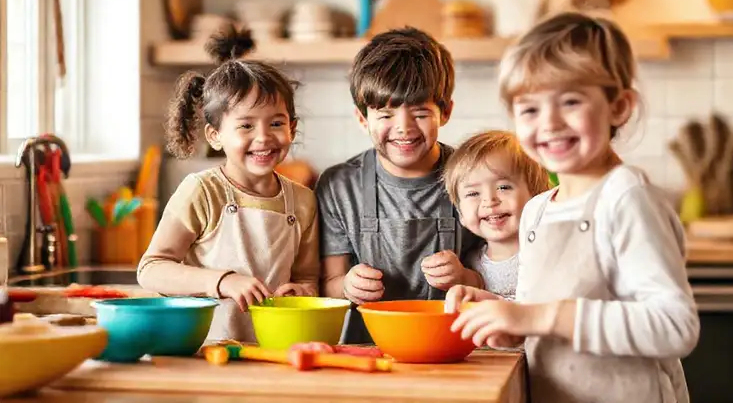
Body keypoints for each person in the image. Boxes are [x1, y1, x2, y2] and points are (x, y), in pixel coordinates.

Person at [446, 12, 700, 402]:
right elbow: (541, 317)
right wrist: (505, 316)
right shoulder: (537, 211)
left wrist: (537, 317)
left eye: (570, 101)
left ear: (618, 106)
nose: (549, 123)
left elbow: (674, 326)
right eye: (529, 109)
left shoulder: (627, 198)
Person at [137, 25, 319, 344]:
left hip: (274, 352)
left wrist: (302, 290)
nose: (263, 137)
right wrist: (222, 281)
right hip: (207, 350)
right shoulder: (202, 192)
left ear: (292, 127)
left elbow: (307, 277)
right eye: (246, 125)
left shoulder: (303, 201)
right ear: (215, 136)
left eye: (276, 123)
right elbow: (151, 269)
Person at [316, 27, 485, 344]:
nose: (403, 128)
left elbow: (504, 272)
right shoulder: (339, 185)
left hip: (455, 349)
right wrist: (348, 286)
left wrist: (466, 277)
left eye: (420, 112)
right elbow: (327, 282)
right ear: (362, 118)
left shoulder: (474, 176)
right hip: (368, 349)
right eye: (385, 113)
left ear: (445, 111)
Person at [442, 130, 550, 301]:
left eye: (503, 187)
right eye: (473, 193)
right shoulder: (470, 263)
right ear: (460, 213)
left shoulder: (545, 253)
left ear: (537, 196)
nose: (489, 200)